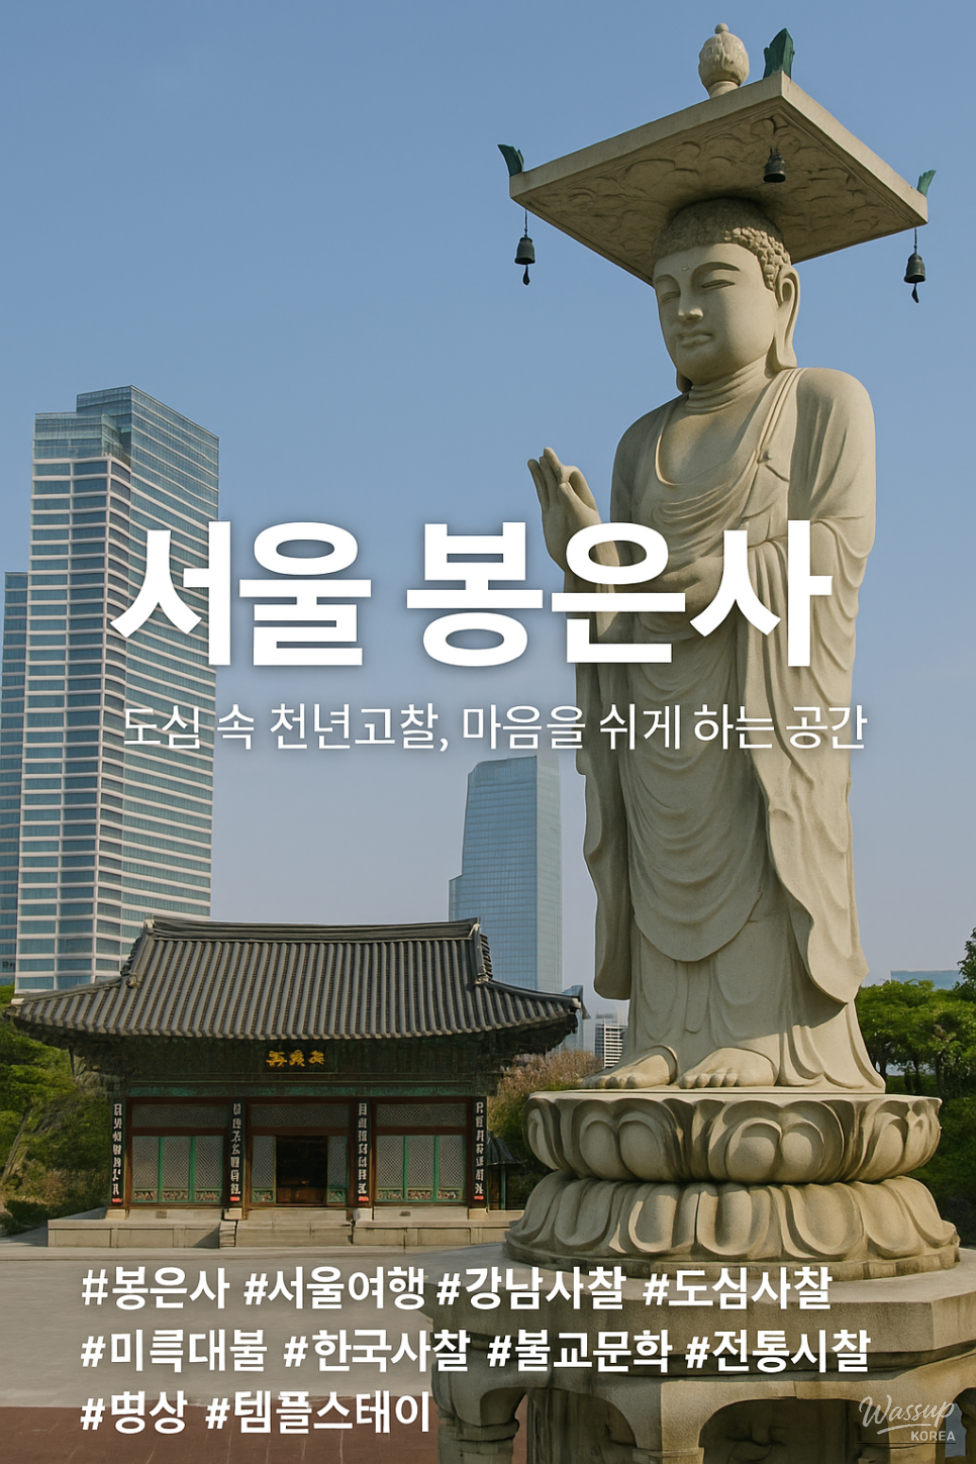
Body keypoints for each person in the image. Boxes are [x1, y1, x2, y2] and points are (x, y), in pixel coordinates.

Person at [530, 198, 882, 1091]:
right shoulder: (641, 439)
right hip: (653, 697)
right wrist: (583, 550)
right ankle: (665, 1035)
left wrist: (738, 567)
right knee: (659, 856)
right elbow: (620, 586)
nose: (684, 309)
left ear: (784, 298)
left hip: (761, 688)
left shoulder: (822, 403)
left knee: (759, 832)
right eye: (665, 293)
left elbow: (839, 552)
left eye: (713, 285)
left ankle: (767, 1037)